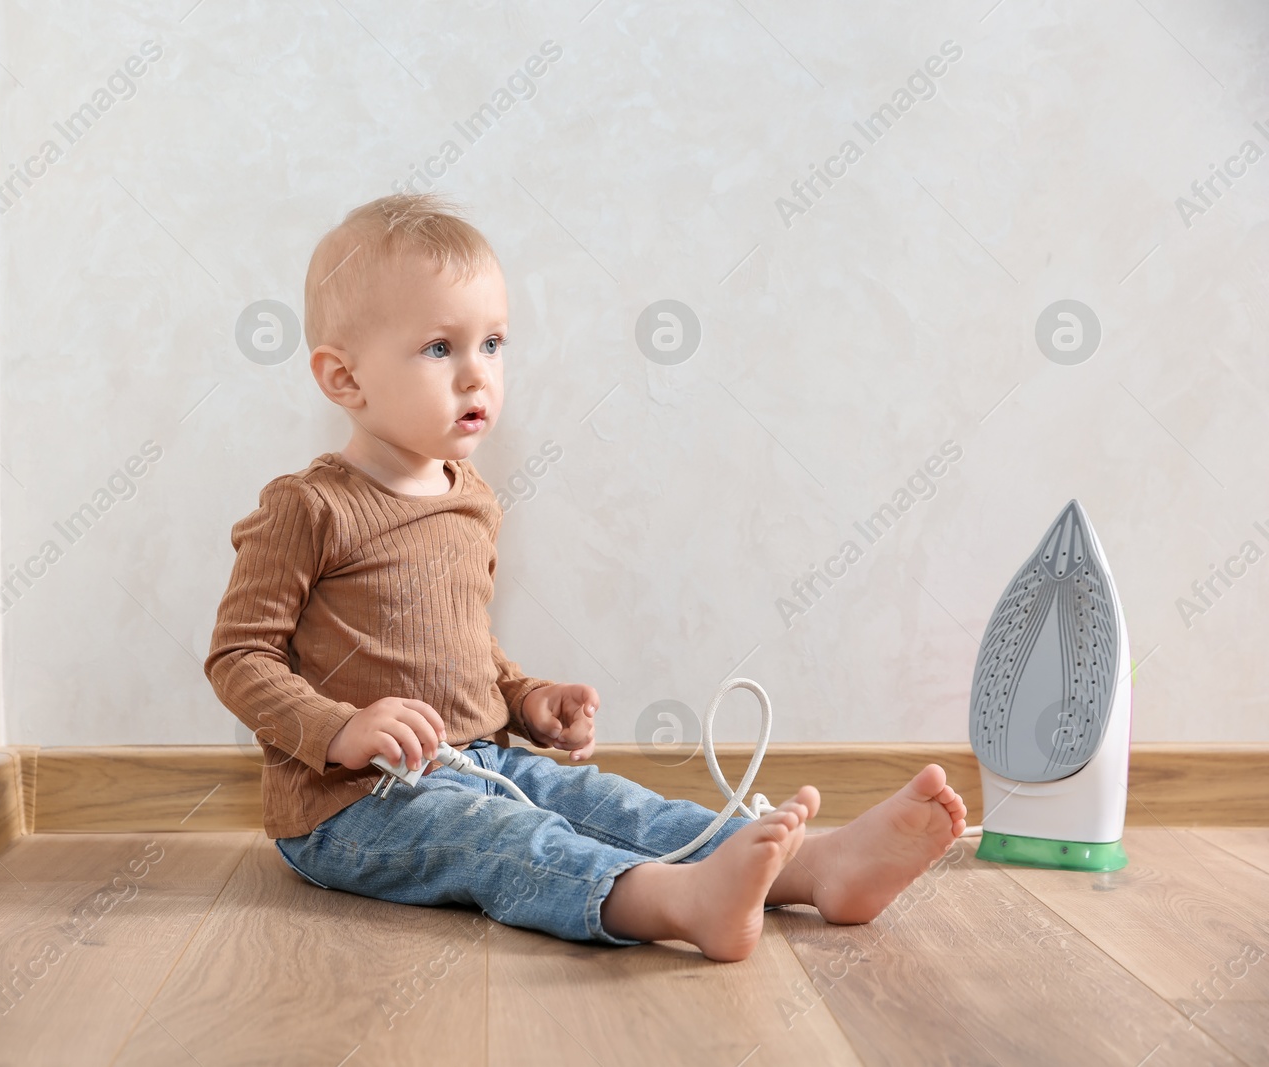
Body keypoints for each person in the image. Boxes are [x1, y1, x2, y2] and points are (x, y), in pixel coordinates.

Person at [204, 192, 967, 961]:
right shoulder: (308, 507)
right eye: (441, 348)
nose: (478, 374)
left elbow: (458, 646)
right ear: (344, 379)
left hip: (484, 761)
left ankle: (815, 869)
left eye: (493, 343)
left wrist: (523, 697)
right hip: (352, 806)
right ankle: (675, 901)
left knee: (604, 800)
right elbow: (240, 657)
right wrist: (339, 728)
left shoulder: (471, 501)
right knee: (507, 838)